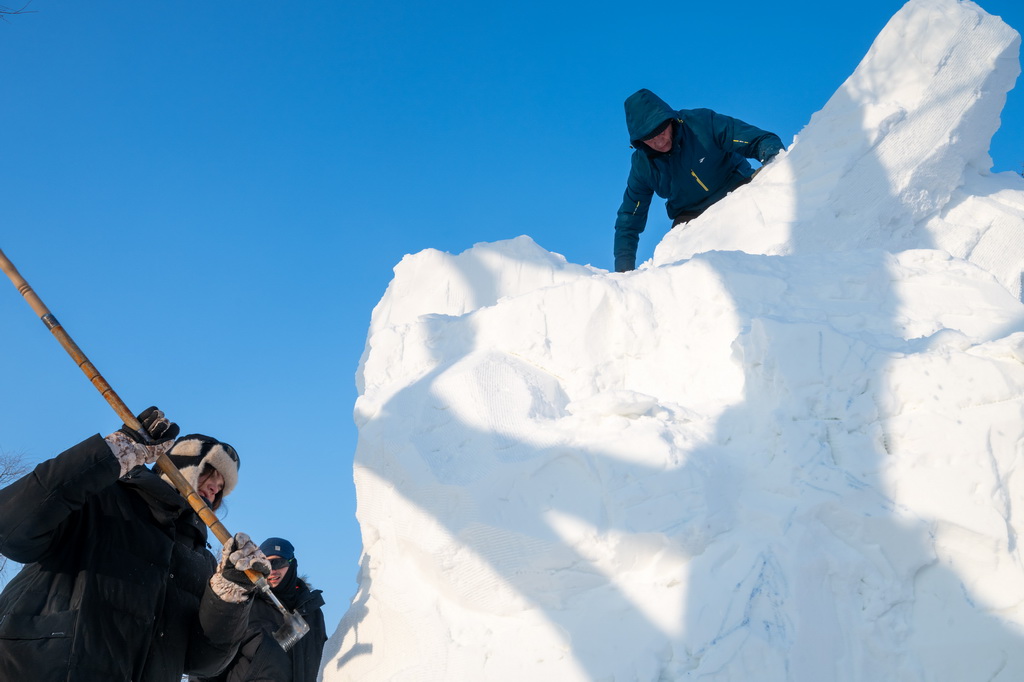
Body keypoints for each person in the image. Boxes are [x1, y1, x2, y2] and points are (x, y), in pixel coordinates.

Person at [0, 406, 271, 681]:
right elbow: (11, 529)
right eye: (209, 472)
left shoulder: (202, 561)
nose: (215, 488)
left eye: (221, 486)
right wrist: (112, 454)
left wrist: (230, 594)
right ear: (181, 466)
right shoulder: (102, 497)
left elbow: (202, 662)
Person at [613, 88, 786, 272]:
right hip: (691, 216)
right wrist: (623, 273)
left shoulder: (701, 124)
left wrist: (775, 166)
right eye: (649, 138)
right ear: (640, 142)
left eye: (660, 131)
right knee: (681, 269)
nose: (659, 142)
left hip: (738, 188)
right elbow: (629, 221)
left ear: (670, 120)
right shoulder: (643, 165)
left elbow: (760, 140)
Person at [192, 537, 328, 682]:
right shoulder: (244, 605)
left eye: (279, 562)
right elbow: (210, 660)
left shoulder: (312, 612)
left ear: (292, 564)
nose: (273, 570)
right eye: (267, 563)